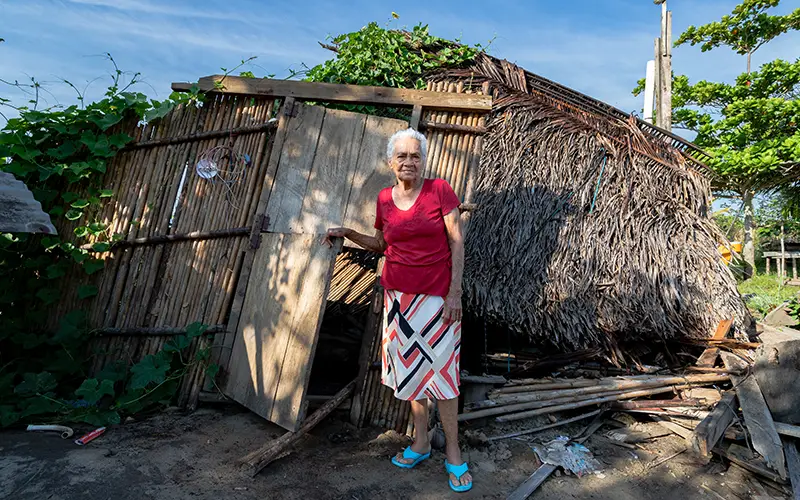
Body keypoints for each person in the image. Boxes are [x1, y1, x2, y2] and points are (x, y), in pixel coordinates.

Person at [324, 128, 472, 492]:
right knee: (410, 375)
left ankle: (453, 450)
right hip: (399, 301)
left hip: (438, 298)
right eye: (402, 156)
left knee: (444, 376)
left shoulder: (440, 191)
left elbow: (457, 241)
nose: (409, 161)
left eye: (415, 156)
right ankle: (421, 443)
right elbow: (380, 243)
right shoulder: (384, 199)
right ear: (391, 163)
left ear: (423, 161)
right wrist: (349, 233)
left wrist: (455, 293)